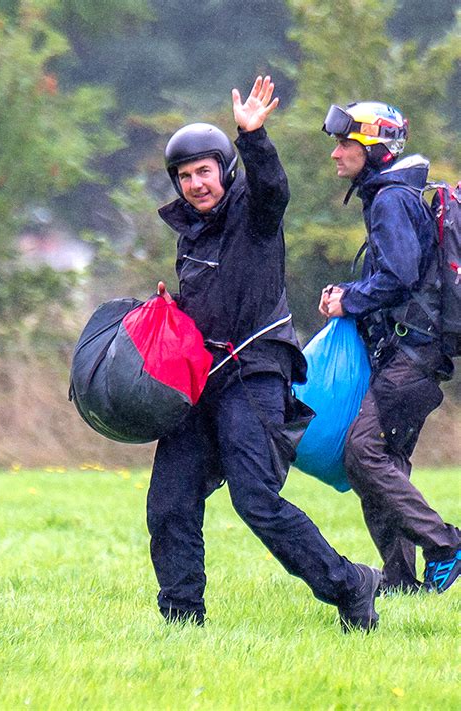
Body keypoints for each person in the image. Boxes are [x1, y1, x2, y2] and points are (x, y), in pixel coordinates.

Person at [147, 76, 382, 632]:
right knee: (169, 502)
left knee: (255, 500)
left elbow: (273, 186)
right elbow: (212, 302)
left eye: (204, 170)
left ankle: (351, 584)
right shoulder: (191, 237)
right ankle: (182, 621)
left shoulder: (254, 215)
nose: (196, 184)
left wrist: (252, 137)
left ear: (225, 170)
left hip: (254, 377)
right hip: (200, 383)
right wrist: (169, 311)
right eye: (185, 176)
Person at [319, 101, 460, 594]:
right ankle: (402, 582)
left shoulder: (390, 200)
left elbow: (398, 276)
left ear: (373, 150)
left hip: (414, 357)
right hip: (410, 355)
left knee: (363, 454)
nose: (335, 155)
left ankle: (446, 544)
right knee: (383, 462)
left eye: (344, 145)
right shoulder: (390, 194)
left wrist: (348, 300)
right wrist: (349, 295)